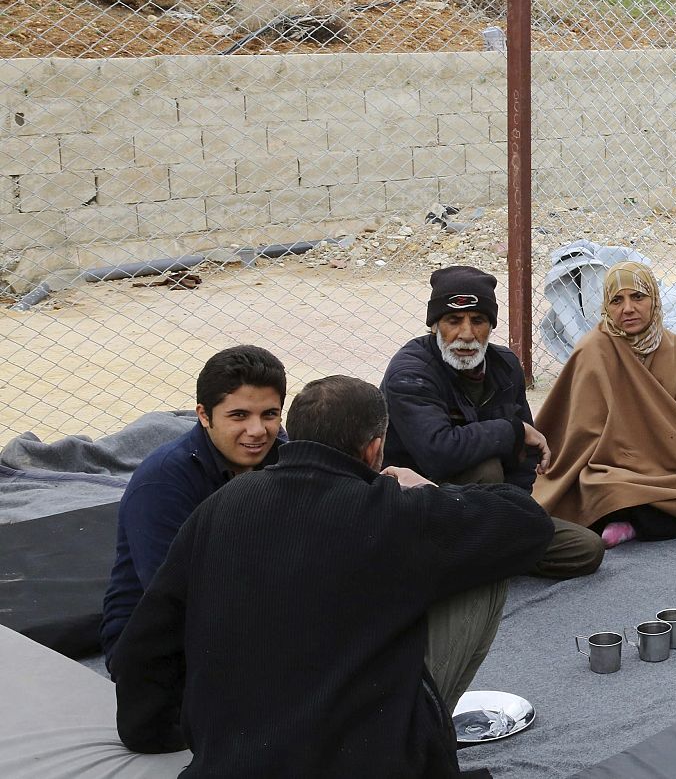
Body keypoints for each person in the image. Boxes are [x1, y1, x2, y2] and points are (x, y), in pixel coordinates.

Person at [114, 375, 553, 778]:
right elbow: (529, 524)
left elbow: (148, 640)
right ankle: (419, 730)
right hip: (370, 759)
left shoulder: (221, 505)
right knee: (482, 564)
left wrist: (152, 733)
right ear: (374, 449)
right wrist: (427, 490)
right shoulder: (394, 512)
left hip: (233, 759)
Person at [381, 265, 604, 578]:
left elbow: (524, 462)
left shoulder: (505, 366)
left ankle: (482, 558)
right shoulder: (411, 373)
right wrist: (511, 430)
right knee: (485, 468)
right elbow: (438, 451)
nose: (467, 334)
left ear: (491, 325)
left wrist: (517, 513)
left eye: (478, 321)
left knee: (585, 548)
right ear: (435, 326)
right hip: (426, 510)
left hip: (490, 510)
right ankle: (480, 557)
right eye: (453, 321)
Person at [533, 261, 676, 548]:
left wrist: (669, 454)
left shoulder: (674, 349)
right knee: (604, 490)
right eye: (617, 300)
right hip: (616, 468)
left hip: (674, 465)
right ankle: (643, 519)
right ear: (606, 306)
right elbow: (580, 436)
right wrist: (633, 457)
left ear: (654, 300)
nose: (628, 309)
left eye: (638, 297)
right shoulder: (593, 350)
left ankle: (635, 524)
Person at [100, 345, 287, 669]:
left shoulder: (284, 455)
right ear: (203, 415)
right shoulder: (162, 483)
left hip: (251, 616)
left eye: (269, 414)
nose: (258, 431)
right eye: (239, 415)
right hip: (162, 645)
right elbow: (175, 599)